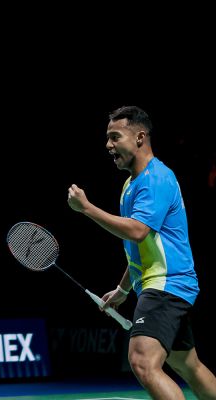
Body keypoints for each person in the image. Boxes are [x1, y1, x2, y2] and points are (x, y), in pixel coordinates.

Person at [66, 106, 216, 399]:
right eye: (107, 138)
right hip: (165, 283)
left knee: (142, 361)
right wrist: (123, 289)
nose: (108, 145)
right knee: (188, 365)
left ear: (139, 137)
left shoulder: (156, 178)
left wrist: (87, 209)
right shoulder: (132, 184)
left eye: (115, 137)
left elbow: (137, 231)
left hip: (165, 284)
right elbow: (140, 248)